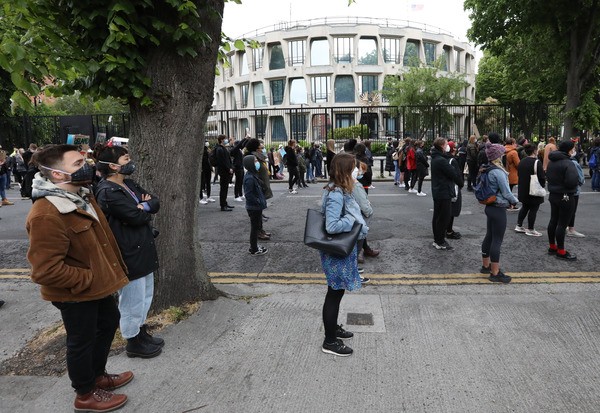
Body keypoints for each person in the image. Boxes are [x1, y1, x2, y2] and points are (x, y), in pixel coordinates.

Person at [26, 144, 131, 412]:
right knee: (81, 340)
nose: (87, 165)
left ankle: (97, 376)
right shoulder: (46, 213)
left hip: (96, 287)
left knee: (108, 323)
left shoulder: (83, 195)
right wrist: (90, 278)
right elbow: (45, 270)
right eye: (77, 163)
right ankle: (85, 393)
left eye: (85, 160)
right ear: (57, 175)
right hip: (76, 291)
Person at [95, 145, 163, 359]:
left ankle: (141, 332)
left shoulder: (128, 184)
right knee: (132, 298)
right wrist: (143, 208)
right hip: (128, 252)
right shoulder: (108, 191)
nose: (130, 161)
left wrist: (144, 205)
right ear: (113, 166)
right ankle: (133, 341)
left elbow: (155, 201)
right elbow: (135, 217)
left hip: (142, 247)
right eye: (126, 159)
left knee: (145, 294)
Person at [320, 152, 367, 357]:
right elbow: (331, 226)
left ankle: (333, 329)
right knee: (334, 293)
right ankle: (329, 340)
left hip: (342, 250)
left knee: (337, 293)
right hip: (336, 252)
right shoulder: (336, 194)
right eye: (353, 168)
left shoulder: (340, 189)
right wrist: (351, 221)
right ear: (345, 171)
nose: (356, 171)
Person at [479, 143, 519, 283]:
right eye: (502, 154)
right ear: (497, 156)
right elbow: (506, 192)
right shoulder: (498, 172)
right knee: (497, 240)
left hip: (489, 207)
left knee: (489, 236)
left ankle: (486, 266)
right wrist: (516, 201)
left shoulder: (487, 169)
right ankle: (495, 273)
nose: (504, 156)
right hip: (498, 207)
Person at [546, 140, 580, 260]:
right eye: (573, 148)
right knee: (562, 224)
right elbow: (572, 182)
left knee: (553, 220)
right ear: (569, 150)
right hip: (566, 195)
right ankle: (561, 251)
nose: (574, 150)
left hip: (553, 194)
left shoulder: (552, 161)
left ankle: (552, 246)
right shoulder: (568, 163)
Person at [430, 137, 463, 250]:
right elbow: (453, 174)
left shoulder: (436, 158)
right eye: (445, 144)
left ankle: (437, 239)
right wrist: (460, 182)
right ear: (442, 146)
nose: (447, 146)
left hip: (438, 191)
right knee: (443, 217)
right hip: (444, 192)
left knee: (437, 217)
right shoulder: (441, 160)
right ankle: (440, 241)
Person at [515, 144, 546, 237]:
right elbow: (541, 177)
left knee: (525, 207)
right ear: (534, 151)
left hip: (523, 188)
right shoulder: (537, 162)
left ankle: (519, 225)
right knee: (533, 209)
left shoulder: (522, 161)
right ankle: (530, 228)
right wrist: (542, 186)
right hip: (534, 189)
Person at [243, 154, 268, 256]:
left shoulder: (253, 175)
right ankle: (254, 248)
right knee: (254, 229)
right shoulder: (249, 178)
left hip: (256, 207)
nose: (257, 163)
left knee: (256, 227)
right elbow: (248, 194)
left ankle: (254, 246)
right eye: (255, 161)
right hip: (254, 208)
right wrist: (257, 201)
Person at [566, 143, 586, 238]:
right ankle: (571, 229)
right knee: (572, 210)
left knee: (565, 209)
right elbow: (581, 179)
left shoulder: (560, 161)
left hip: (562, 190)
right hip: (574, 190)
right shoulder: (574, 162)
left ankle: (565, 226)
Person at [446, 141, 464, 239]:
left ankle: (447, 230)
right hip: (453, 188)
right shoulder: (452, 160)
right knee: (452, 210)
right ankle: (449, 231)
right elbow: (457, 175)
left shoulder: (443, 158)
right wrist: (461, 184)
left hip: (445, 188)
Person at [215, 134, 234, 211]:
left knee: (225, 188)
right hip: (223, 171)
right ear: (222, 140)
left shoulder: (222, 148)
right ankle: (223, 205)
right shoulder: (220, 149)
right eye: (225, 139)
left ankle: (225, 203)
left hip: (225, 171)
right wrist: (228, 168)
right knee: (223, 189)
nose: (227, 140)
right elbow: (222, 161)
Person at [231, 137, 248, 202]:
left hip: (241, 167)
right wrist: (244, 138)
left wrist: (247, 139)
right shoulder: (234, 150)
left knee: (241, 181)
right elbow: (240, 145)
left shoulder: (239, 150)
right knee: (237, 182)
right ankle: (236, 195)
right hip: (237, 167)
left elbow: (243, 145)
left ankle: (240, 194)